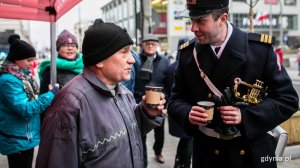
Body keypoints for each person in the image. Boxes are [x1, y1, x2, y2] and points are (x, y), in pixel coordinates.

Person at [168, 0, 299, 168]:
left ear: (223, 18)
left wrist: (245, 116)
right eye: (191, 20)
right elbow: (175, 100)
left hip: (250, 154)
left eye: (200, 21)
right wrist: (187, 113)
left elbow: (288, 100)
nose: (193, 28)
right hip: (207, 155)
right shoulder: (188, 54)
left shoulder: (259, 50)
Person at [35, 19, 166, 168]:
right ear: (99, 60)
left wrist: (146, 113)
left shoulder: (123, 92)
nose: (132, 60)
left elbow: (127, 133)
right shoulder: (69, 104)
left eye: (130, 52)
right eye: (124, 52)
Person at [0, 34, 59, 168]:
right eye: (29, 60)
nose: (32, 63)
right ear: (17, 59)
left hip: (25, 136)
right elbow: (26, 109)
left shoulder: (22, 76)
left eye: (33, 59)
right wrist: (51, 94)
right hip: (18, 138)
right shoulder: (8, 81)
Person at [134, 34, 169, 166]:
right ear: (142, 45)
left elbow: (169, 82)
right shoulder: (136, 59)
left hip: (159, 103)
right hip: (139, 103)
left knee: (159, 132)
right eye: (147, 43)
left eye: (153, 44)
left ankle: (158, 151)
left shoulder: (164, 61)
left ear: (157, 45)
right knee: (140, 134)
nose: (150, 46)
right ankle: (143, 162)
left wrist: (165, 101)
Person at [166, 37, 193, 168]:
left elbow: (167, 90)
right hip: (188, 111)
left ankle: (178, 162)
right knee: (189, 140)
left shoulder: (170, 67)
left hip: (175, 111)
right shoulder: (189, 66)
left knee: (185, 140)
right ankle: (184, 164)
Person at [38, 29, 83, 94]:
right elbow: (43, 97)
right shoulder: (51, 69)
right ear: (58, 49)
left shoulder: (86, 64)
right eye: (65, 45)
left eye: (73, 45)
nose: (70, 48)